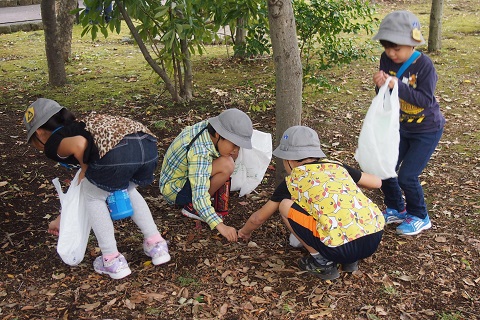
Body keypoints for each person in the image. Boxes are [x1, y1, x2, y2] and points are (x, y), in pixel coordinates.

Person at [23, 98, 170, 280]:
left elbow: (79, 145)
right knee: (128, 189)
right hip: (146, 146)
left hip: (117, 152)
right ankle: (157, 244)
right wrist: (63, 218)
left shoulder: (53, 142)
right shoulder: (79, 125)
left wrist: (85, 169)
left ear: (38, 132)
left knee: (92, 196)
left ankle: (111, 259)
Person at [238, 126, 385, 280]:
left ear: (289, 160)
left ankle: (322, 263)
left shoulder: (293, 181)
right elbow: (376, 183)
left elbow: (259, 218)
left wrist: (244, 232)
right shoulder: (336, 167)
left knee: (285, 206)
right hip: (373, 237)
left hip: (339, 247)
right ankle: (350, 261)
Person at [372, 10, 445, 235]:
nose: (391, 53)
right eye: (387, 47)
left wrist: (397, 85)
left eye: (397, 48)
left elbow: (424, 99)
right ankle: (396, 208)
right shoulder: (387, 59)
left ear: (412, 44)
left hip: (427, 128)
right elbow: (384, 95)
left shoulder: (424, 66)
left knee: (407, 176)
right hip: (401, 125)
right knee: (385, 169)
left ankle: (420, 215)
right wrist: (381, 85)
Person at [159, 108, 253, 242]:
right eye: (234, 144)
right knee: (227, 164)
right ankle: (192, 208)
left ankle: (207, 202)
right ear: (218, 134)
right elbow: (199, 195)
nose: (236, 149)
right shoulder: (200, 152)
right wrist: (221, 226)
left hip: (184, 177)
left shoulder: (210, 129)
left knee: (228, 159)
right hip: (175, 190)